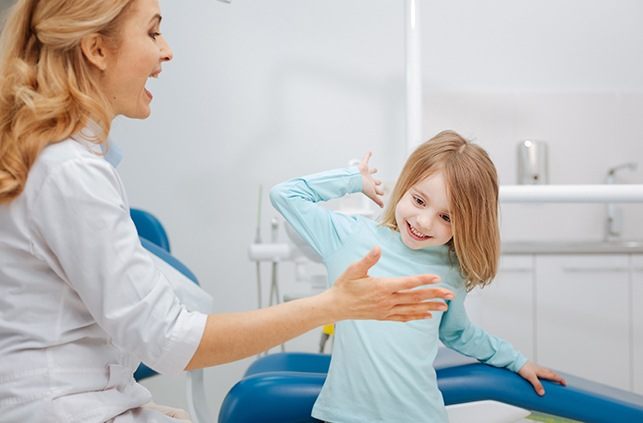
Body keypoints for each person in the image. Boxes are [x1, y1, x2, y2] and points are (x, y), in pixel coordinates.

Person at [0, 1, 455, 422]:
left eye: (446, 217)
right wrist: (335, 302)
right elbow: (169, 338)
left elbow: (466, 334)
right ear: (97, 49)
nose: (167, 51)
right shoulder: (69, 172)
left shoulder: (69, 163)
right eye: (154, 33)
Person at [270, 130, 567, 423]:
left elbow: (458, 333)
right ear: (405, 185)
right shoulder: (349, 238)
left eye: (446, 217)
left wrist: (517, 361)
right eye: (419, 201)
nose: (423, 222)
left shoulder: (450, 270)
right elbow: (284, 195)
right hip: (344, 416)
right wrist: (353, 180)